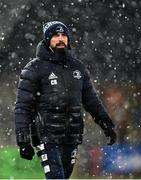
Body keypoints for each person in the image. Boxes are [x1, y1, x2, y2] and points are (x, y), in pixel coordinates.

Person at [15, 21, 117, 179]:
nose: (61, 38)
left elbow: (91, 101)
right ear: (47, 39)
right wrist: (23, 140)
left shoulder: (78, 68)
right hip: (47, 138)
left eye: (64, 35)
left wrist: (107, 125)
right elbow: (23, 107)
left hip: (72, 137)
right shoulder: (34, 69)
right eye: (56, 35)